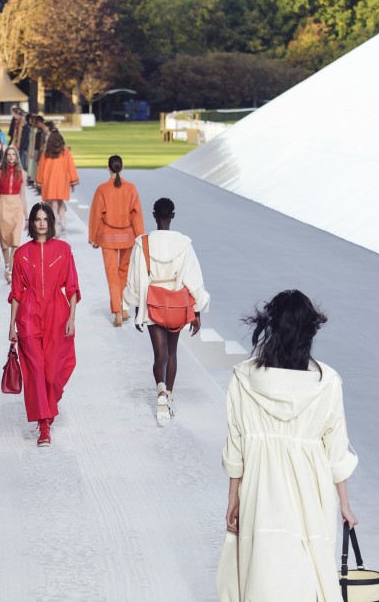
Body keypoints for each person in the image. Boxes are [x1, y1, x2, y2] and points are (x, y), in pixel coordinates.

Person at [217, 290, 359, 602]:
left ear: (271, 328)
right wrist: (344, 505)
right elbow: (336, 451)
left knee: (262, 572)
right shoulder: (327, 383)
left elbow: (236, 445)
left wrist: (233, 498)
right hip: (311, 494)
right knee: (307, 575)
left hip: (259, 493)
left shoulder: (244, 379)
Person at [123, 197, 208, 425]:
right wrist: (196, 311)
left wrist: (138, 308)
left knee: (159, 354)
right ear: (173, 215)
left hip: (152, 303)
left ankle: (160, 391)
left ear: (154, 215)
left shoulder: (143, 243)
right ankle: (168, 396)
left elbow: (136, 278)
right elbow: (193, 280)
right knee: (172, 353)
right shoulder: (184, 244)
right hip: (177, 304)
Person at [8, 202, 80, 447]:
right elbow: (16, 292)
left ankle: (48, 405)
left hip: (57, 314)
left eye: (45, 219)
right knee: (36, 370)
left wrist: (71, 317)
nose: (41, 223)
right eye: (37, 219)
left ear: (51, 222)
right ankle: (43, 425)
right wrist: (11, 326)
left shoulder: (63, 249)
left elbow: (72, 286)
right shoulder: (21, 253)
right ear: (31, 222)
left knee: (54, 371)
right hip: (28, 315)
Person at [88, 155, 145, 326]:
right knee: (124, 273)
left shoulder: (102, 189)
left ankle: (117, 312)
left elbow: (96, 214)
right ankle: (124, 308)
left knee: (111, 274)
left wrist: (93, 237)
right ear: (122, 167)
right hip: (127, 236)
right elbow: (136, 215)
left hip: (108, 237)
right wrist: (140, 236)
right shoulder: (131, 188)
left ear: (108, 168)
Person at [0, 146, 28, 283]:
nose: (11, 157)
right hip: (2, 206)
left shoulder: (23, 174)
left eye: (13, 154)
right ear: (5, 157)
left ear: (17, 157)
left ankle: (10, 270)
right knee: (5, 242)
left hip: (17, 207)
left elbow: (23, 196)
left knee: (15, 241)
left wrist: (27, 217)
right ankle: (7, 264)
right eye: (9, 154)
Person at [35, 129, 78, 232]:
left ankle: (55, 225)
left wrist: (39, 181)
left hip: (50, 181)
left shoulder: (46, 153)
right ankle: (62, 222)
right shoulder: (65, 152)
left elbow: (41, 168)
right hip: (62, 180)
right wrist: (73, 181)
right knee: (60, 201)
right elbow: (71, 167)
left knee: (54, 203)